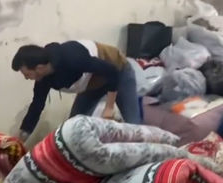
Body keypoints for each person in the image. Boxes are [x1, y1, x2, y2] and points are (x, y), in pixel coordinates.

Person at [12, 40, 141, 142]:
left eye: (27, 74)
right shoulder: (43, 79)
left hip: (118, 71)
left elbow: (112, 71)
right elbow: (36, 107)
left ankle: (147, 161)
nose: (27, 78)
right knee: (72, 130)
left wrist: (109, 107)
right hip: (92, 83)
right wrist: (19, 141)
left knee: (133, 125)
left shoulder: (72, 57)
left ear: (39, 68)